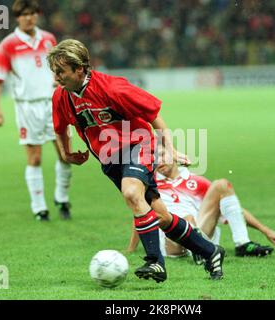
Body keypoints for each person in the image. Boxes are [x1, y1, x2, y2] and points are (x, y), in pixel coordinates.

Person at [46, 38, 226, 282]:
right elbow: (59, 128)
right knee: (160, 215)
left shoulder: (113, 88)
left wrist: (170, 149)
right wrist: (67, 153)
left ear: (80, 69)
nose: (56, 77)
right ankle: (210, 252)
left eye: (60, 71)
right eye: (54, 71)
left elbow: (154, 115)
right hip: (110, 160)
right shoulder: (61, 97)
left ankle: (155, 263)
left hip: (138, 144)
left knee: (131, 193)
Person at [0, 0, 72, 221]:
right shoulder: (8, 45)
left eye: (32, 13)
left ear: (37, 15)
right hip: (27, 107)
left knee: (65, 154)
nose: (29, 17)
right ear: (17, 17)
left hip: (54, 103)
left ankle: (62, 198)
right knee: (35, 158)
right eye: (24, 14)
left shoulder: (49, 39)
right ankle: (40, 208)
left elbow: (60, 69)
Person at [127, 160, 275, 261]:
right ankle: (201, 252)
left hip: (202, 229)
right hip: (172, 240)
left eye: (163, 154)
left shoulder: (196, 182)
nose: (160, 161)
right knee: (186, 219)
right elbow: (141, 213)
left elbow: (233, 210)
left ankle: (242, 243)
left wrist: (266, 230)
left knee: (222, 184)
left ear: (174, 154)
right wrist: (131, 248)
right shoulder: (151, 184)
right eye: (155, 157)